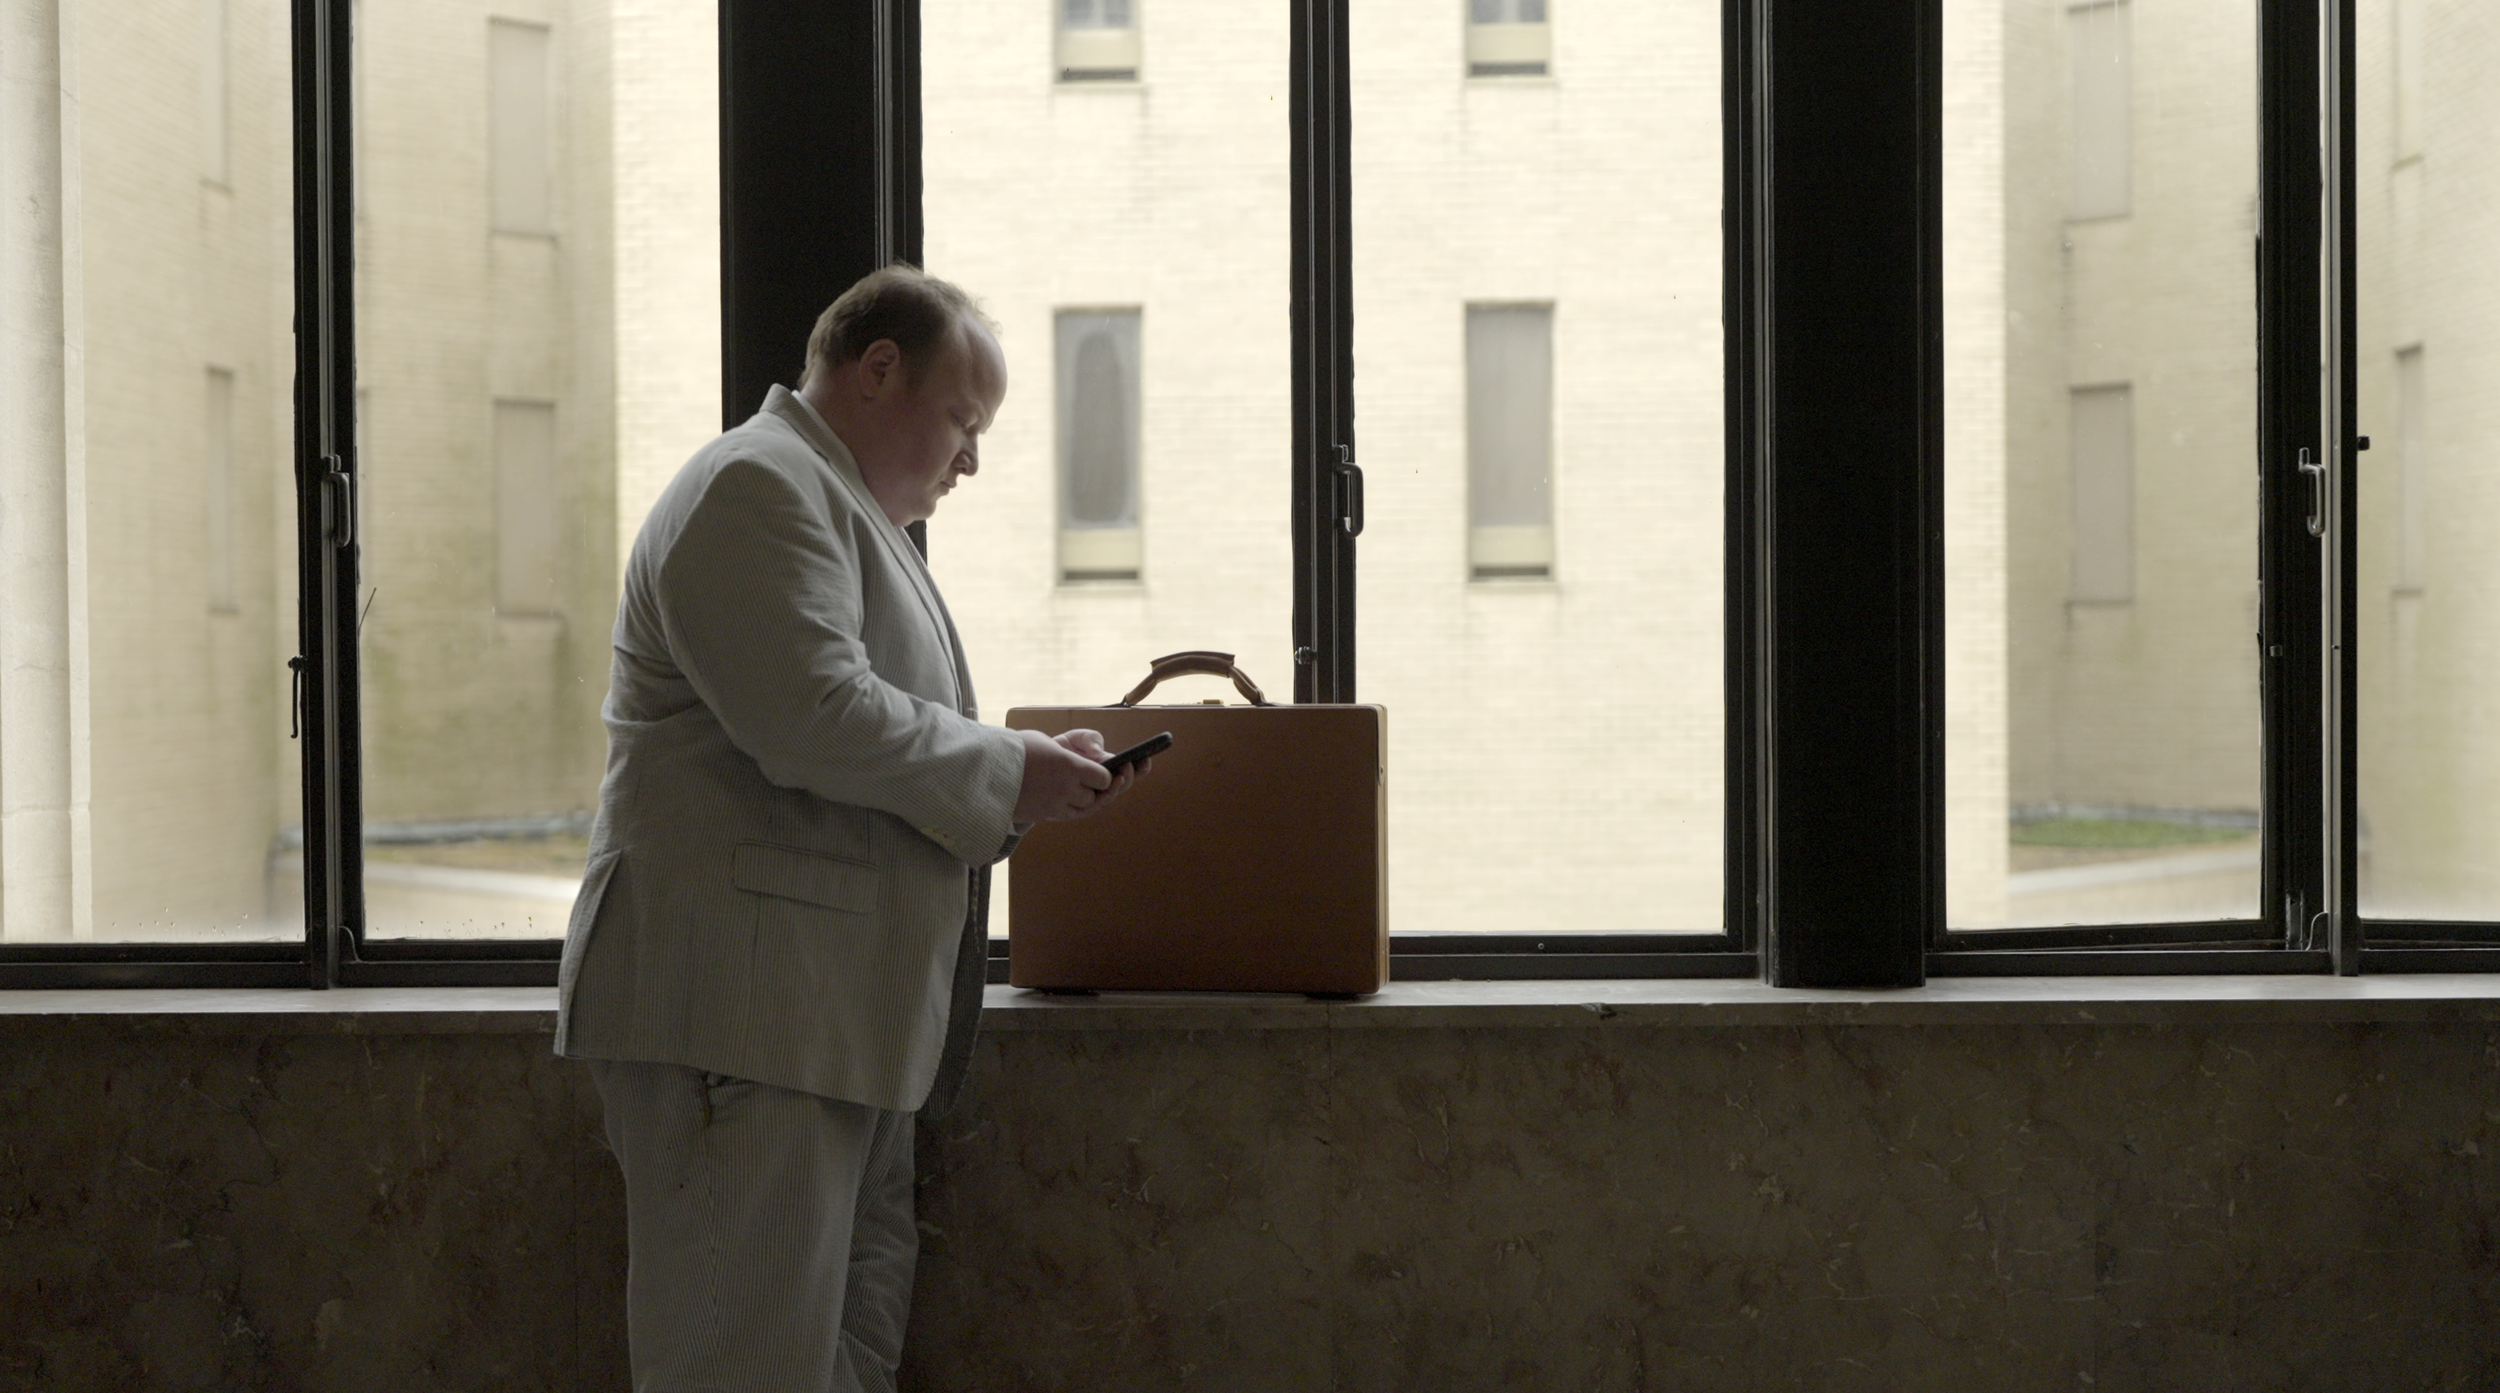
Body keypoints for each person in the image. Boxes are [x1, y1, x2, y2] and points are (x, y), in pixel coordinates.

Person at [555, 263, 1140, 1392]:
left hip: (817, 1028)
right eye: (964, 420)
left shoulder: (824, 502)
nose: (971, 458)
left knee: (834, 1364)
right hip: (743, 1029)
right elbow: (812, 717)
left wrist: (1017, 780)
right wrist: (1011, 767)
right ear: (878, 370)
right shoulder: (755, 485)